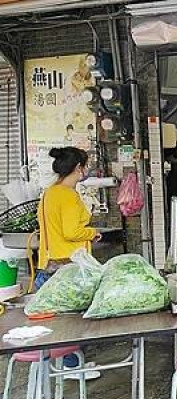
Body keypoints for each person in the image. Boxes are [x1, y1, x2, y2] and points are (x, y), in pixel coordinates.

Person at [36, 147, 101, 380]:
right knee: (71, 321)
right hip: (67, 266)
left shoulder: (50, 193)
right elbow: (72, 231)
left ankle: (71, 362)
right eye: (85, 165)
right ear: (78, 168)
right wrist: (92, 232)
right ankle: (72, 367)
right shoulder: (68, 195)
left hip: (50, 262)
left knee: (61, 321)